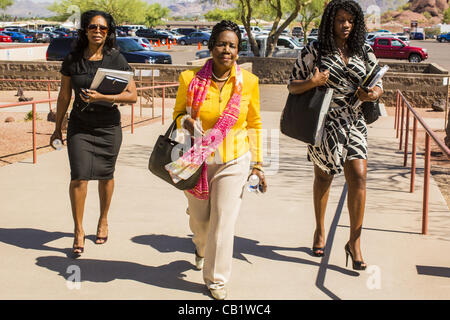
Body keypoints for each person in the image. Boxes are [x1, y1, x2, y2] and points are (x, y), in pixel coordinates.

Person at [167, 20, 267, 300]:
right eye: (221, 44)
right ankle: (200, 247)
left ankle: (216, 279)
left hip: (234, 159)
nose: (227, 50)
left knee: (224, 220)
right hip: (197, 160)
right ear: (211, 46)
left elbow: (255, 123)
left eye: (232, 46)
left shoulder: (249, 82)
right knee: (201, 224)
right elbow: (177, 114)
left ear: (238, 51)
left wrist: (257, 163)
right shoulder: (190, 79)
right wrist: (185, 122)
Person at [288, 0, 383, 270]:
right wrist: (312, 82)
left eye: (350, 21)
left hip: (354, 119)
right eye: (340, 20)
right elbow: (292, 85)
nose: (346, 25)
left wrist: (373, 94)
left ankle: (355, 242)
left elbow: (380, 85)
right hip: (324, 121)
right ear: (331, 22)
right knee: (323, 177)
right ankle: (320, 229)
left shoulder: (364, 51)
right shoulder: (315, 51)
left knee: (359, 176)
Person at [50, 10, 137, 256]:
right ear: (85, 30)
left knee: (106, 175)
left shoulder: (116, 58)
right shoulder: (72, 59)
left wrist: (104, 97)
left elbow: (132, 95)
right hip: (80, 126)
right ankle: (78, 230)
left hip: (108, 127)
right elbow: (64, 95)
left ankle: (103, 219)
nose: (97, 31)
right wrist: (57, 128)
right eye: (93, 27)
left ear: (108, 32)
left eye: (103, 28)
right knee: (79, 176)